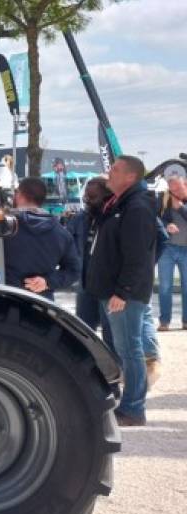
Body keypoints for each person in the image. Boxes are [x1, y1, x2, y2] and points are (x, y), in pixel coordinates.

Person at [86, 155, 157, 427]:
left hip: (123, 294)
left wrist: (123, 291)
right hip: (111, 290)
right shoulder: (118, 202)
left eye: (114, 170)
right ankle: (125, 402)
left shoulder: (137, 206)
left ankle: (133, 409)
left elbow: (138, 254)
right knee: (121, 347)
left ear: (130, 177)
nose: (108, 173)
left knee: (130, 350)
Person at [3, 177, 81, 301]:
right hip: (41, 306)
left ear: (19, 195)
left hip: (3, 301)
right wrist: (47, 281)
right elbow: (74, 271)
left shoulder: (2, 226)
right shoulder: (61, 233)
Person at [68, 177, 114, 346]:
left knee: (111, 333)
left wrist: (144, 269)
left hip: (107, 284)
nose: (88, 201)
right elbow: (66, 243)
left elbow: (161, 238)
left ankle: (117, 368)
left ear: (106, 196)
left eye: (93, 197)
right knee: (83, 331)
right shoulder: (81, 218)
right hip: (85, 282)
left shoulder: (116, 217)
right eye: (87, 197)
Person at [158, 176, 187, 331]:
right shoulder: (164, 199)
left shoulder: (181, 202)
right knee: (164, 287)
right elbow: (155, 219)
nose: (174, 191)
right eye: (171, 188)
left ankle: (186, 321)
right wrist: (167, 224)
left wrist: (181, 208)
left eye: (177, 188)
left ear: (185, 185)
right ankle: (164, 321)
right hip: (167, 249)